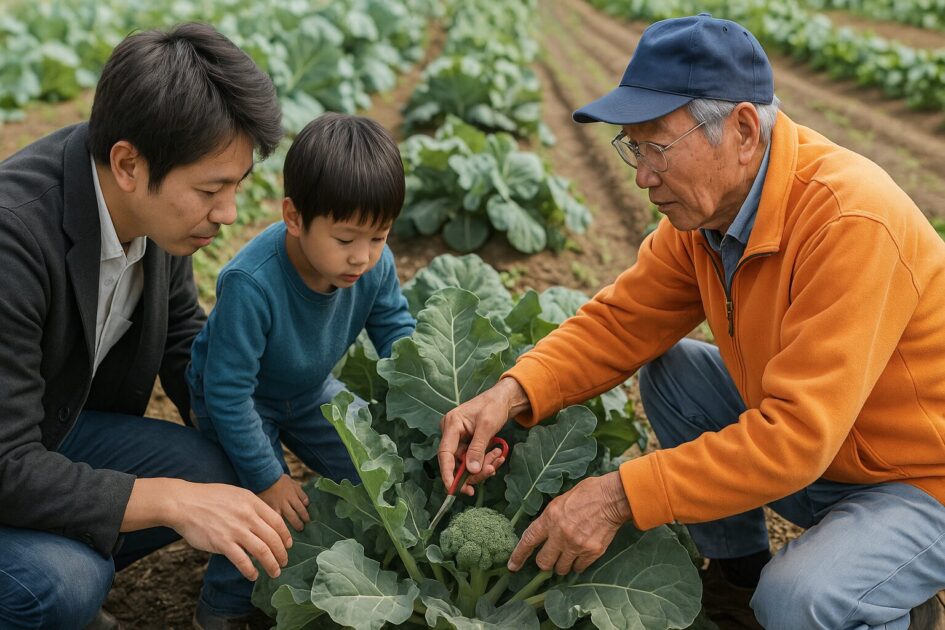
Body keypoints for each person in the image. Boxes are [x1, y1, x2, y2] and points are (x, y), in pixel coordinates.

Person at [438, 13, 945, 630]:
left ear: (741, 131)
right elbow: (622, 322)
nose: (643, 175)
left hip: (917, 479)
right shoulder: (706, 218)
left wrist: (618, 495)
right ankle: (738, 574)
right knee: (674, 374)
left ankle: (889, 602)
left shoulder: (850, 223)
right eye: (632, 146)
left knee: (798, 602)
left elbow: (795, 439)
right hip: (829, 459)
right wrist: (509, 394)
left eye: (658, 147)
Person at [0, 23, 293, 630]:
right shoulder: (13, 241)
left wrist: (262, 460)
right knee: (63, 582)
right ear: (128, 163)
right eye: (211, 189)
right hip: (10, 454)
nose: (229, 212)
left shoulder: (156, 217)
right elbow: (4, 462)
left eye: (237, 186)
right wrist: (167, 501)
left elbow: (184, 337)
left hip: (50, 428)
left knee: (219, 470)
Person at [186, 113, 415, 532]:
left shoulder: (373, 266)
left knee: (378, 474)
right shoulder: (251, 285)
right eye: (345, 239)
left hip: (310, 390)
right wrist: (269, 478)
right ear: (293, 217)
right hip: (241, 403)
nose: (362, 256)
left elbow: (396, 332)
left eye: (379, 237)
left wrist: (431, 392)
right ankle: (226, 599)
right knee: (261, 518)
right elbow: (227, 393)